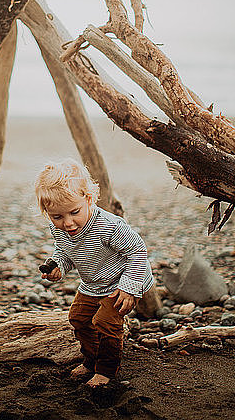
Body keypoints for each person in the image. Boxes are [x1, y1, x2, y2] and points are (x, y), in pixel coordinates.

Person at [35, 158, 154, 387]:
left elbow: (137, 250)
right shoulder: (59, 227)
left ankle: (107, 370)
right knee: (78, 318)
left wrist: (129, 288)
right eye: (57, 217)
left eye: (74, 212)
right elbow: (65, 250)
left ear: (89, 199)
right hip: (94, 282)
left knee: (106, 321)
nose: (68, 223)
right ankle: (91, 359)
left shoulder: (109, 226)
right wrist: (58, 265)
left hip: (124, 280)